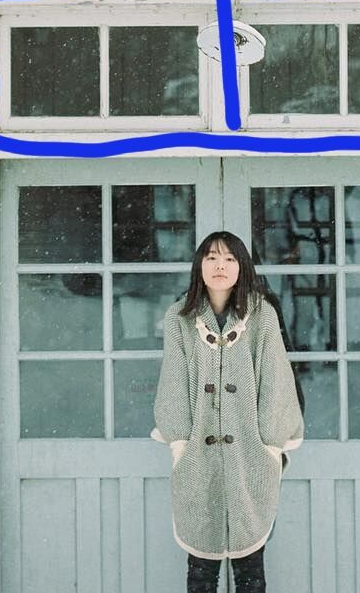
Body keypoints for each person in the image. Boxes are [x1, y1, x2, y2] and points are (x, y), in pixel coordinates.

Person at [151, 231, 304, 593]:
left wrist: (270, 443)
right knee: (201, 568)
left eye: (230, 259)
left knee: (250, 567)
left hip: (251, 453)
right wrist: (180, 443)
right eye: (211, 257)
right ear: (199, 266)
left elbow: (275, 379)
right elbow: (173, 380)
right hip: (197, 455)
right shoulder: (179, 318)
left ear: (241, 267)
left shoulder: (262, 316)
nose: (220, 266)